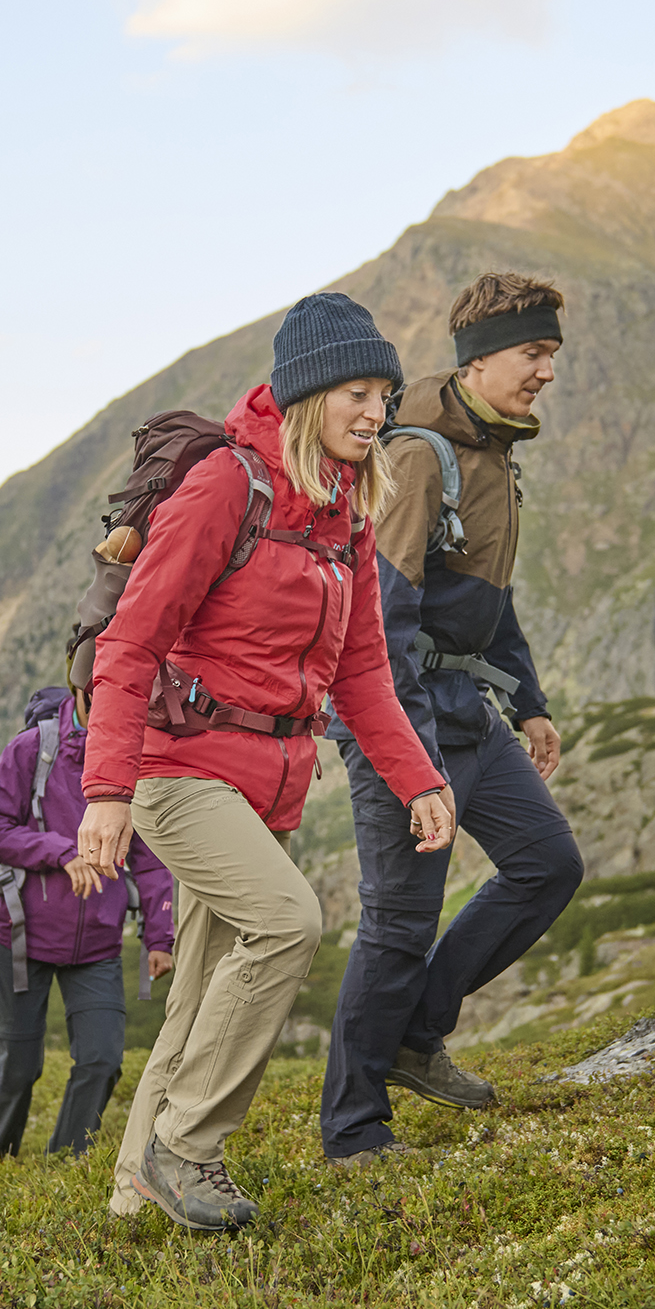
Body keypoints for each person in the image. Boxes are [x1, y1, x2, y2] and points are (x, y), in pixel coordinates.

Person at [75, 292, 456, 1232]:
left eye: (385, 393)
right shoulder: (225, 488)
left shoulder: (348, 514)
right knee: (289, 921)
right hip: (178, 770)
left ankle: (133, 1194)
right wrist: (107, 793)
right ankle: (189, 1148)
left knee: (201, 993)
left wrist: (419, 779)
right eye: (356, 392)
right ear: (305, 396)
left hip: (268, 784)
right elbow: (130, 645)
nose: (375, 412)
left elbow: (362, 670)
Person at [320, 272, 586, 1164]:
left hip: (469, 709)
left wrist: (531, 700)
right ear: (481, 358)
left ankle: (415, 1034)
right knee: (400, 917)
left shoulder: (496, 452)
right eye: (534, 353)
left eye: (550, 352)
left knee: (547, 864)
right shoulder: (419, 455)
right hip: (403, 718)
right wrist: (415, 763)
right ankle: (353, 1130)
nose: (546, 369)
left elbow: (487, 600)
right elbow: (379, 622)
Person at [0, 686, 177, 1160]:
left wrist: (159, 937)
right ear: (83, 683)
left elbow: (151, 859)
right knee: (19, 1064)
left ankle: (65, 1162)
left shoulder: (135, 757)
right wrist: (62, 853)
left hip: (99, 944)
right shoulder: (30, 750)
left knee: (102, 1060)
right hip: (21, 937)